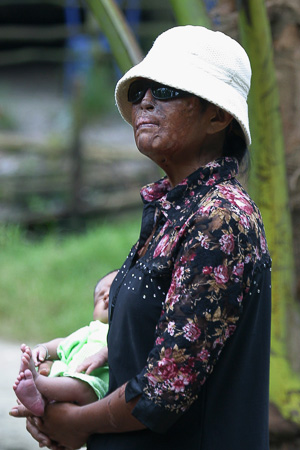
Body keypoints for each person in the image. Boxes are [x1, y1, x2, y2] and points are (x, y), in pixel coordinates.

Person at [10, 25, 272, 450]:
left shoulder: (220, 219)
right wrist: (60, 408)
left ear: (217, 116)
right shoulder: (175, 209)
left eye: (166, 90)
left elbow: (165, 388)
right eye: (139, 92)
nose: (145, 101)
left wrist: (75, 422)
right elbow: (141, 348)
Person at [12, 270, 117, 416]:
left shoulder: (120, 328)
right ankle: (39, 400)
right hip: (67, 379)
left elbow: (120, 346)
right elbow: (63, 343)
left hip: (93, 387)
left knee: (81, 387)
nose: (106, 296)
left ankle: (37, 381)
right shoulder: (90, 329)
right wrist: (44, 349)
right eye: (100, 297)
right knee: (57, 367)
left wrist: (103, 354)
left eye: (113, 290)